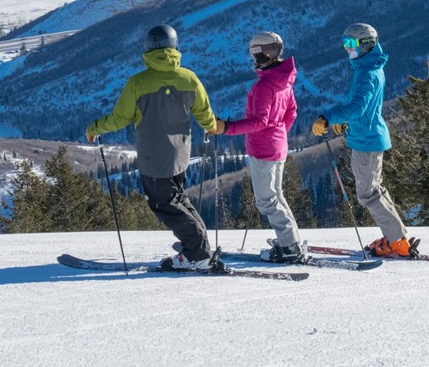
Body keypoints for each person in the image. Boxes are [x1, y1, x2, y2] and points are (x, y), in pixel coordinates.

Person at [86, 24, 219, 270]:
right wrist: (210, 126)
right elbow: (204, 113)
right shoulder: (189, 78)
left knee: (164, 204)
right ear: (175, 47)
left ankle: (197, 253)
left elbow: (120, 118)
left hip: (153, 157)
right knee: (178, 198)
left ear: (148, 49)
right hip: (180, 154)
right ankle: (199, 246)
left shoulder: (137, 82)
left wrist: (95, 128)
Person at [312, 22, 414, 259]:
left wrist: (328, 117)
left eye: (351, 44)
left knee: (368, 194)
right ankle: (395, 237)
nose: (347, 49)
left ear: (366, 45)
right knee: (374, 190)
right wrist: (345, 121)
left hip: (367, 141)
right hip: (367, 135)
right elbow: (363, 108)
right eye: (344, 44)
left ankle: (397, 241)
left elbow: (358, 107)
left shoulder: (367, 73)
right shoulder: (368, 67)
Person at [210, 31, 307, 264]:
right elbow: (291, 112)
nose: (253, 58)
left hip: (263, 148)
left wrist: (225, 127)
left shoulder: (264, 85)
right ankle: (291, 240)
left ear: (263, 53)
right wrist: (279, 133)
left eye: (255, 52)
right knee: (276, 196)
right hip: (277, 146)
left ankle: (289, 246)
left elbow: (259, 122)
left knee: (266, 201)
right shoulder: (283, 80)